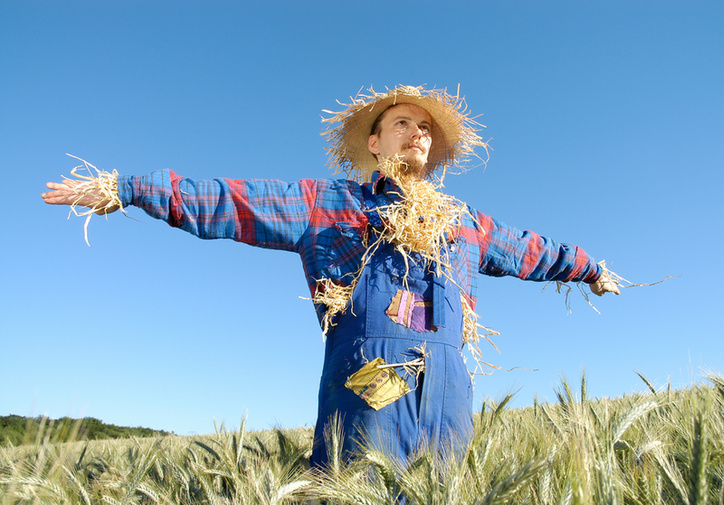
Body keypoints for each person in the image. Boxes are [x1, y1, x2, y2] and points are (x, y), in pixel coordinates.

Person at [42, 85, 619, 468]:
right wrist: (131, 188)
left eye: (424, 127)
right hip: (366, 382)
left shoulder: (466, 224)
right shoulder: (330, 205)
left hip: (450, 389)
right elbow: (232, 201)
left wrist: (591, 269)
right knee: (354, 487)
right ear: (374, 142)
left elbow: (536, 251)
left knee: (450, 489)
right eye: (400, 123)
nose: (416, 132)